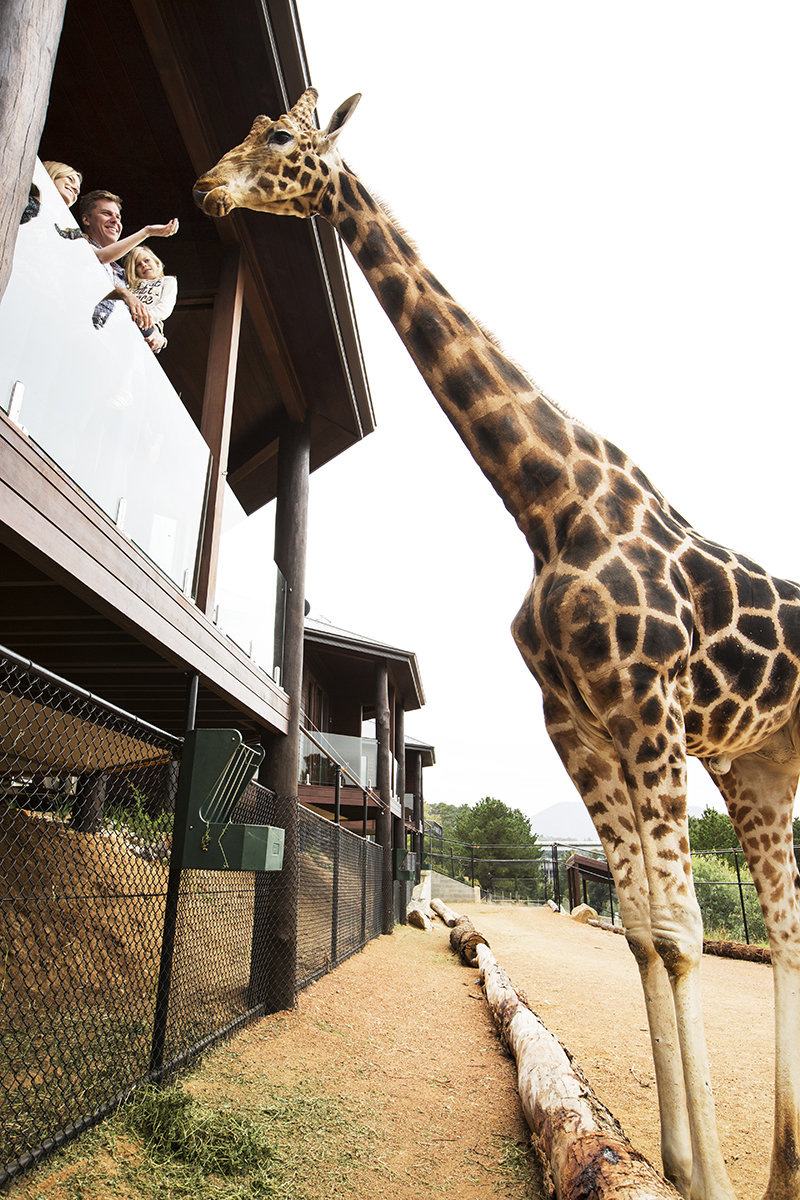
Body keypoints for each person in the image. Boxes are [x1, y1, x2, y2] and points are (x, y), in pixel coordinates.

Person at [78, 189, 178, 330]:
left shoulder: (123, 275)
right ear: (86, 219)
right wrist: (147, 232)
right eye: (106, 213)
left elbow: (145, 308)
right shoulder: (78, 243)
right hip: (79, 327)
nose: (114, 221)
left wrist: (155, 329)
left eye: (118, 217)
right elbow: (99, 258)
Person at [124, 245, 177, 354]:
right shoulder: (130, 286)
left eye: (147, 260)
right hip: (128, 318)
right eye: (138, 265)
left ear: (156, 262)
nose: (144, 265)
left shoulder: (167, 281)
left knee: (137, 352)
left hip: (149, 323)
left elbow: (165, 307)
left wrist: (146, 318)